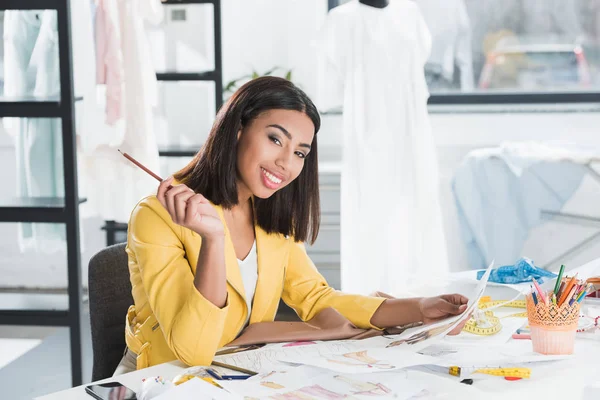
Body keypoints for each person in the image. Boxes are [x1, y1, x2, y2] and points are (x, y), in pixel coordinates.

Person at [115, 76, 469, 375]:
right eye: (275, 139)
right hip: (162, 379)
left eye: (300, 152)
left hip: (237, 370)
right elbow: (191, 352)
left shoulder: (268, 215)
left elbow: (316, 298)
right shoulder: (157, 217)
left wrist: (418, 308)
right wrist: (212, 238)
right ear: (237, 130)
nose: (286, 163)